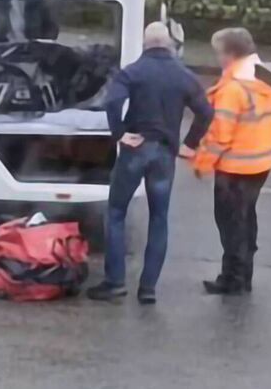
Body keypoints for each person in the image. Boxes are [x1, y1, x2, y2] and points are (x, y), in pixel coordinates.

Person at [87, 22, 214, 304]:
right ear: (169, 44)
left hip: (136, 148)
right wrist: (190, 144)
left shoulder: (133, 71)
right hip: (165, 154)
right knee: (159, 218)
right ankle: (148, 289)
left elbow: (112, 102)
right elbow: (206, 112)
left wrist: (120, 133)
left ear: (145, 44)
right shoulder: (184, 75)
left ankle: (115, 282)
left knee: (116, 212)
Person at [192, 28, 271, 295]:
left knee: (231, 224)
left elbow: (221, 135)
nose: (217, 58)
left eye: (219, 53)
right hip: (260, 163)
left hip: (234, 167)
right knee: (246, 219)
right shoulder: (268, 79)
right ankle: (244, 275)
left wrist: (201, 163)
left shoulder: (233, 89)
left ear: (230, 54)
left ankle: (232, 279)